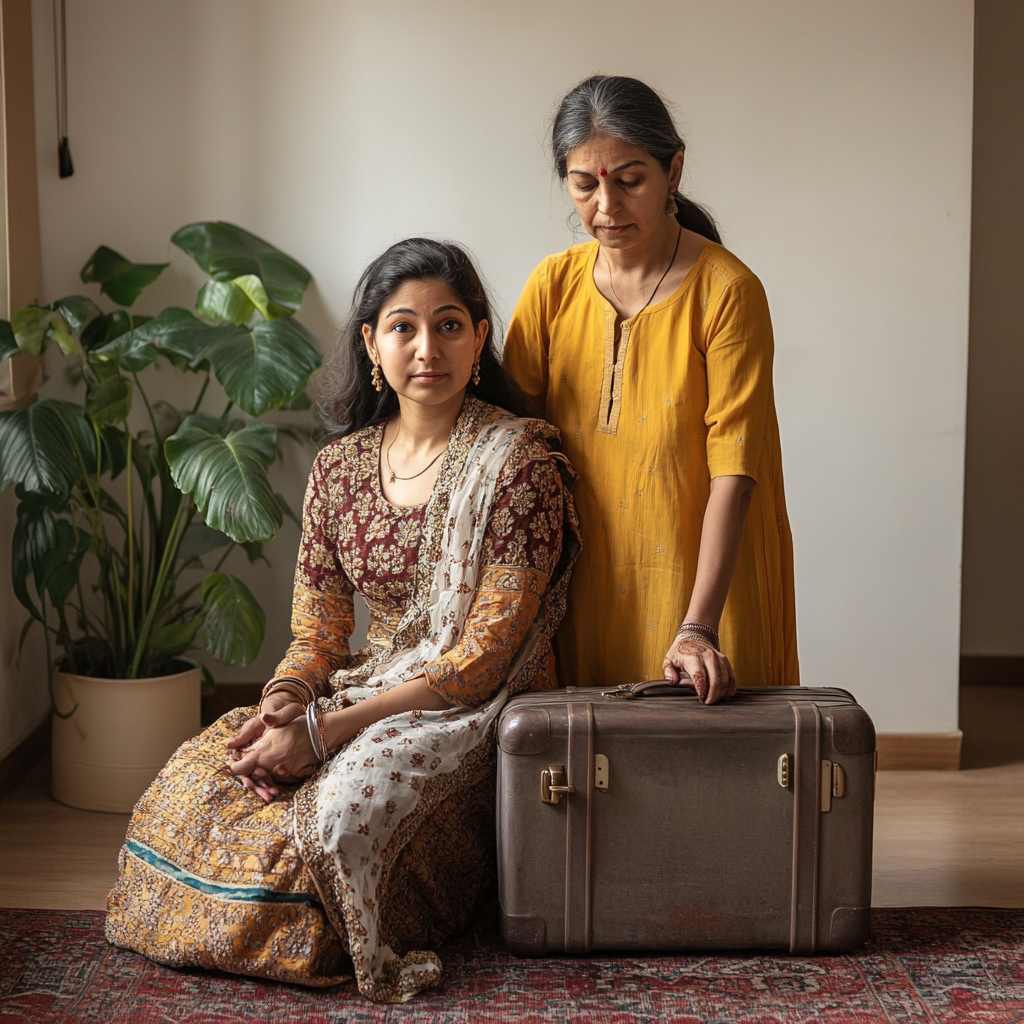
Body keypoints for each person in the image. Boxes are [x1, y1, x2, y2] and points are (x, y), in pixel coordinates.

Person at [105, 238, 580, 1004]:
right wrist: (286, 707)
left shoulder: (518, 462)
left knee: (339, 819)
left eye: (451, 325)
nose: (429, 348)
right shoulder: (340, 468)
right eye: (404, 327)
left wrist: (327, 734)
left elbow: (486, 659)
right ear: (371, 343)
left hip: (475, 714)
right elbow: (319, 631)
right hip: (366, 689)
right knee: (195, 785)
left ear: (481, 337)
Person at [504, 75, 798, 704]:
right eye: (585, 184)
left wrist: (697, 628)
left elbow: (735, 472)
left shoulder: (726, 292)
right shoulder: (551, 289)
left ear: (675, 170)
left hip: (705, 593)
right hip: (582, 590)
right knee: (585, 779)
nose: (606, 207)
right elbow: (509, 447)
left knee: (707, 777)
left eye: (629, 179)